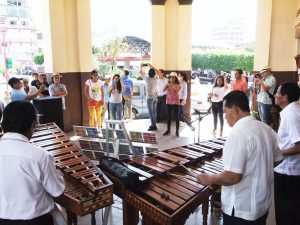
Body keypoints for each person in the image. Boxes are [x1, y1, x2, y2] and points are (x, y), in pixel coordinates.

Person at [196, 90, 281, 225]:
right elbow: (278, 159)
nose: (224, 116)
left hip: (241, 209)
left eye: (225, 111)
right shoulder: (267, 129)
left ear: (235, 109)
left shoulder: (237, 134)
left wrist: (210, 178)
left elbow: (233, 177)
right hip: (262, 204)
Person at [0, 101, 65, 225]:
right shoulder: (40, 156)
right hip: (35, 221)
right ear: (33, 125)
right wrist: (59, 174)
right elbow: (57, 191)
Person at [273, 82, 300, 225]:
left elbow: (299, 145)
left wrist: (277, 154)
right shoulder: (292, 110)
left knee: (285, 213)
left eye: (278, 93)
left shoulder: (290, 114)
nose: (275, 95)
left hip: (288, 172)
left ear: (285, 97)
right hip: (289, 170)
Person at [139, 63, 158, 131]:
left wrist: (141, 66)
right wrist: (151, 66)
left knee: (151, 112)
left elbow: (140, 72)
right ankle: (154, 124)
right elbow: (157, 71)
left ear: (148, 73)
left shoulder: (147, 78)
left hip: (150, 98)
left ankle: (153, 126)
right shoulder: (156, 78)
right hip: (155, 97)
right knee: (154, 112)